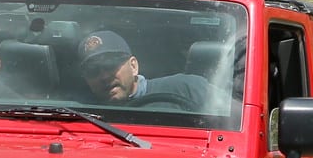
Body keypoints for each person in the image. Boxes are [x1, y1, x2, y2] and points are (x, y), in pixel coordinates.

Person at [77, 29, 218, 111]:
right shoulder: (75, 114)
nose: (104, 76)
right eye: (93, 71)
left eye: (110, 65)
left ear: (133, 66)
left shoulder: (188, 89)